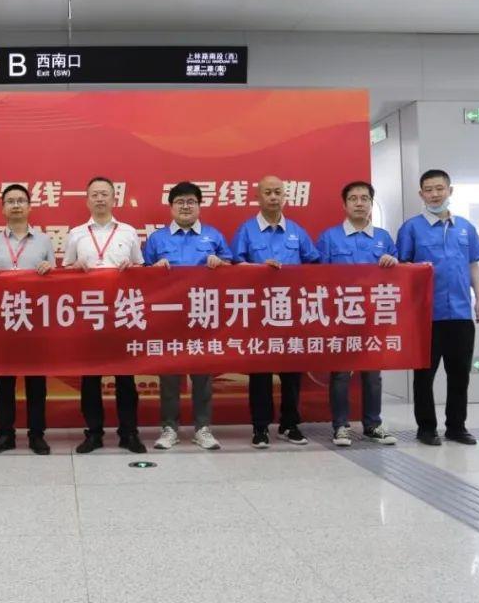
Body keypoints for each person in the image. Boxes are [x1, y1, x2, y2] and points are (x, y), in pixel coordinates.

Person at [397, 169, 479, 446]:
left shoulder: (465, 227)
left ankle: (456, 427)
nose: (434, 194)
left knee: (459, 374)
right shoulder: (411, 228)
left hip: (460, 313)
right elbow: (402, 266)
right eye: (428, 189)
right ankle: (426, 428)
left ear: (450, 190)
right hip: (426, 315)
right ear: (421, 194)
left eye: (439, 188)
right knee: (424, 375)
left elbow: (473, 264)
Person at [232, 175, 320, 450]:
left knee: (292, 372)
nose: (273, 197)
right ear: (257, 197)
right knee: (260, 374)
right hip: (258, 314)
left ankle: (289, 424)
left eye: (277, 192)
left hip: (291, 313)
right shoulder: (246, 230)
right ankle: (260, 427)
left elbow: (315, 264)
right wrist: (257, 270)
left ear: (285, 196)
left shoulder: (296, 231)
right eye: (267, 192)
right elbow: (234, 266)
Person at [144, 181, 233, 451]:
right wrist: (154, 268)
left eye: (191, 201)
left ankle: (203, 428)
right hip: (168, 316)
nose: (186, 206)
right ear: (171, 207)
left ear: (199, 206)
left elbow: (233, 269)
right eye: (180, 202)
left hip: (202, 315)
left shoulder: (213, 236)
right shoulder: (157, 239)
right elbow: (142, 274)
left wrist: (220, 264)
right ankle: (169, 428)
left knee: (202, 374)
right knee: (169, 375)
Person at [63, 176, 146, 454]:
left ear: (114, 199)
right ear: (87, 200)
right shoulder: (76, 233)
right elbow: (64, 272)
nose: (100, 199)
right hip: (89, 314)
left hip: (122, 311)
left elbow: (142, 270)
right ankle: (94, 433)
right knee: (90, 378)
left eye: (105, 194)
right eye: (95, 194)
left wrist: (132, 268)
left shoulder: (128, 232)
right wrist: (76, 267)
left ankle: (129, 433)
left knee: (126, 378)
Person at [316, 181, 399, 447]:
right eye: (353, 198)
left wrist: (394, 262)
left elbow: (400, 274)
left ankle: (373, 425)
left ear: (371, 204)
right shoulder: (329, 238)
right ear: (345, 205)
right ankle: (340, 426)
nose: (359, 203)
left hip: (375, 315)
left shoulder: (384, 238)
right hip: (341, 315)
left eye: (365, 198)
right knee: (341, 373)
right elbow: (317, 278)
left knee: (372, 374)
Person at [0, 184, 56, 456]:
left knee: (36, 381)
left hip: (35, 319)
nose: (16, 205)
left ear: (29, 207)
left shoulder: (44, 241)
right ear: (3, 208)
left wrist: (49, 269)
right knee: (4, 381)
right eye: (10, 201)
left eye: (21, 200)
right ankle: (5, 434)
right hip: (4, 320)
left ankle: (37, 434)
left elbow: (57, 279)